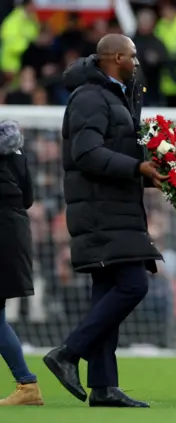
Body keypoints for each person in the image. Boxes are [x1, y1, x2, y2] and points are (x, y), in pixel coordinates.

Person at [42, 34, 168, 408]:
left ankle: (103, 385)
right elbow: (86, 153)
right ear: (116, 57)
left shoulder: (113, 96)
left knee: (106, 293)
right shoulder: (91, 97)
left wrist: (148, 173)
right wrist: (136, 166)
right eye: (133, 56)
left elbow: (110, 152)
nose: (137, 63)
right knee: (133, 286)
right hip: (101, 211)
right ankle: (68, 352)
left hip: (115, 207)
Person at [0, 120, 44, 406]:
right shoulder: (15, 151)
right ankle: (26, 384)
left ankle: (27, 383)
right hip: (13, 233)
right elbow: (28, 198)